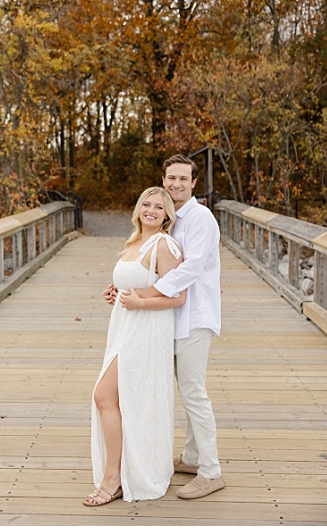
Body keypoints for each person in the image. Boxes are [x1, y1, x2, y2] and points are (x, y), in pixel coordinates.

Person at [107, 154, 225, 500]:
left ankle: (211, 471)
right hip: (168, 320)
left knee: (193, 392)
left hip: (195, 318)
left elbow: (191, 269)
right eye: (170, 178)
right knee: (185, 390)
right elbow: (153, 263)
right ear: (163, 178)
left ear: (193, 183)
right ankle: (191, 457)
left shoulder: (200, 219)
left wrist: (144, 293)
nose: (176, 184)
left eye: (183, 179)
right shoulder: (170, 219)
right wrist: (126, 287)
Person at [85, 186, 186, 506]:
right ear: (139, 208)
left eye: (159, 206)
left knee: (104, 394)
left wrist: (140, 302)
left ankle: (113, 479)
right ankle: (119, 472)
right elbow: (134, 284)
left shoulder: (165, 245)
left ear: (167, 214)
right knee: (116, 398)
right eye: (147, 204)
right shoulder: (134, 242)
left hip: (146, 331)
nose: (152, 210)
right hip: (124, 327)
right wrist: (115, 294)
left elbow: (178, 296)